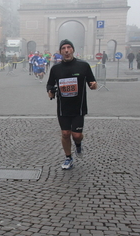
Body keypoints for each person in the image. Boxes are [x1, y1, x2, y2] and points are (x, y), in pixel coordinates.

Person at [46, 39, 97, 170]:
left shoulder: (83, 66)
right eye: (63, 48)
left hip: (78, 107)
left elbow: (92, 82)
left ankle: (78, 144)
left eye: (69, 47)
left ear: (73, 50)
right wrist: (50, 91)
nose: (66, 50)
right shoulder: (56, 68)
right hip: (63, 107)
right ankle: (68, 157)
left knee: (77, 135)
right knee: (65, 133)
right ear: (60, 51)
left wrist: (93, 85)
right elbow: (50, 84)